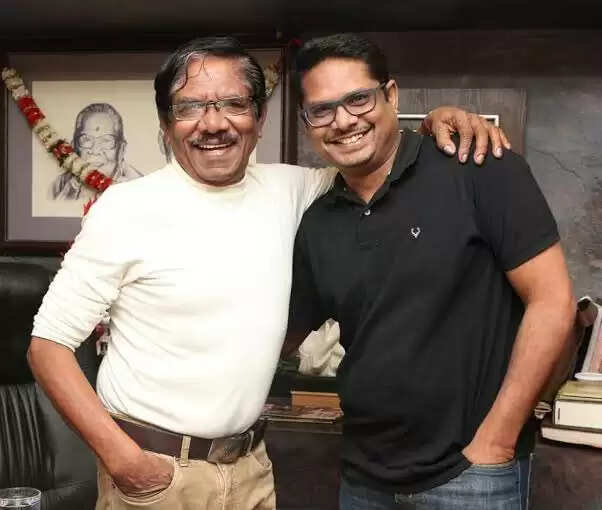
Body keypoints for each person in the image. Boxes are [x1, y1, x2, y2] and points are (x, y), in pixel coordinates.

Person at [28, 36, 510, 510]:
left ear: (258, 119)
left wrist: (436, 121)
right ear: (166, 124)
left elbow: (374, 155)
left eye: (234, 104)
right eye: (191, 107)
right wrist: (126, 462)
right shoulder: (124, 209)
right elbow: (47, 347)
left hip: (251, 469)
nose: (213, 124)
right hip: (157, 476)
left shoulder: (296, 189)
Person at [284, 33, 575, 510]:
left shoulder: (478, 167)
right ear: (308, 121)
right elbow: (284, 333)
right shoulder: (318, 222)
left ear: (391, 95)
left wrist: (496, 441)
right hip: (364, 478)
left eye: (358, 99)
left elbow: (552, 301)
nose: (344, 120)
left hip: (472, 474)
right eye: (322, 109)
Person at [52, 102, 143, 200]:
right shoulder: (59, 186)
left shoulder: (140, 186)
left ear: (122, 149)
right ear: (74, 146)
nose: (95, 150)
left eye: (106, 140)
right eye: (86, 139)